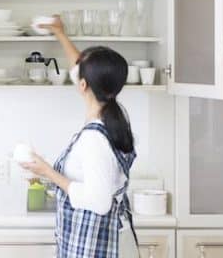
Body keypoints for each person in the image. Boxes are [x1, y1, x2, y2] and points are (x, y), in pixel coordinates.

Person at [22, 16, 138, 258]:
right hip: (115, 241)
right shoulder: (114, 120)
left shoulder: (94, 140)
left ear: (84, 85)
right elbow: (80, 70)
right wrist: (60, 33)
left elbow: (99, 201)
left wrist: (47, 172)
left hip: (100, 248)